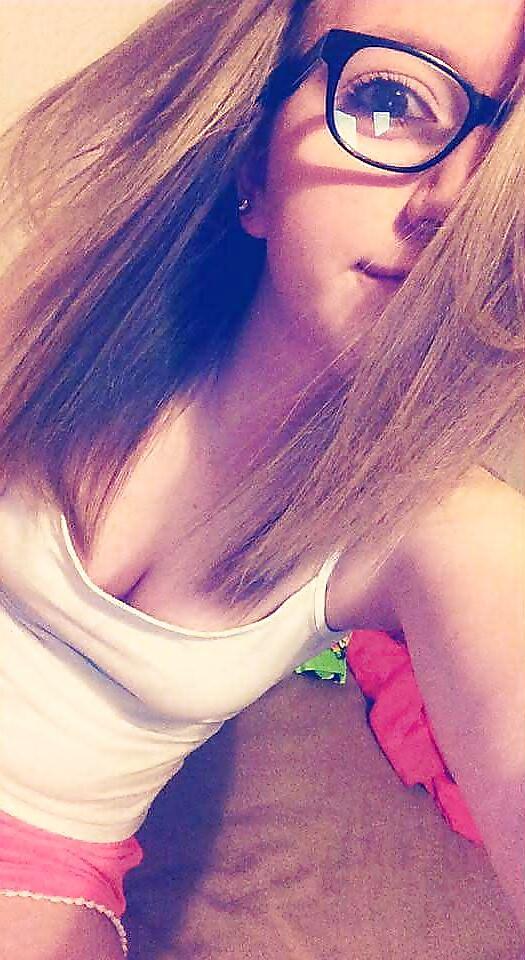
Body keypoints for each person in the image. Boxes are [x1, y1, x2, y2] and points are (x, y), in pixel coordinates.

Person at [0, 1, 524, 957]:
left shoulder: (438, 524)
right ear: (254, 168)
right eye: (390, 98)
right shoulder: (50, 322)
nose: (451, 203)